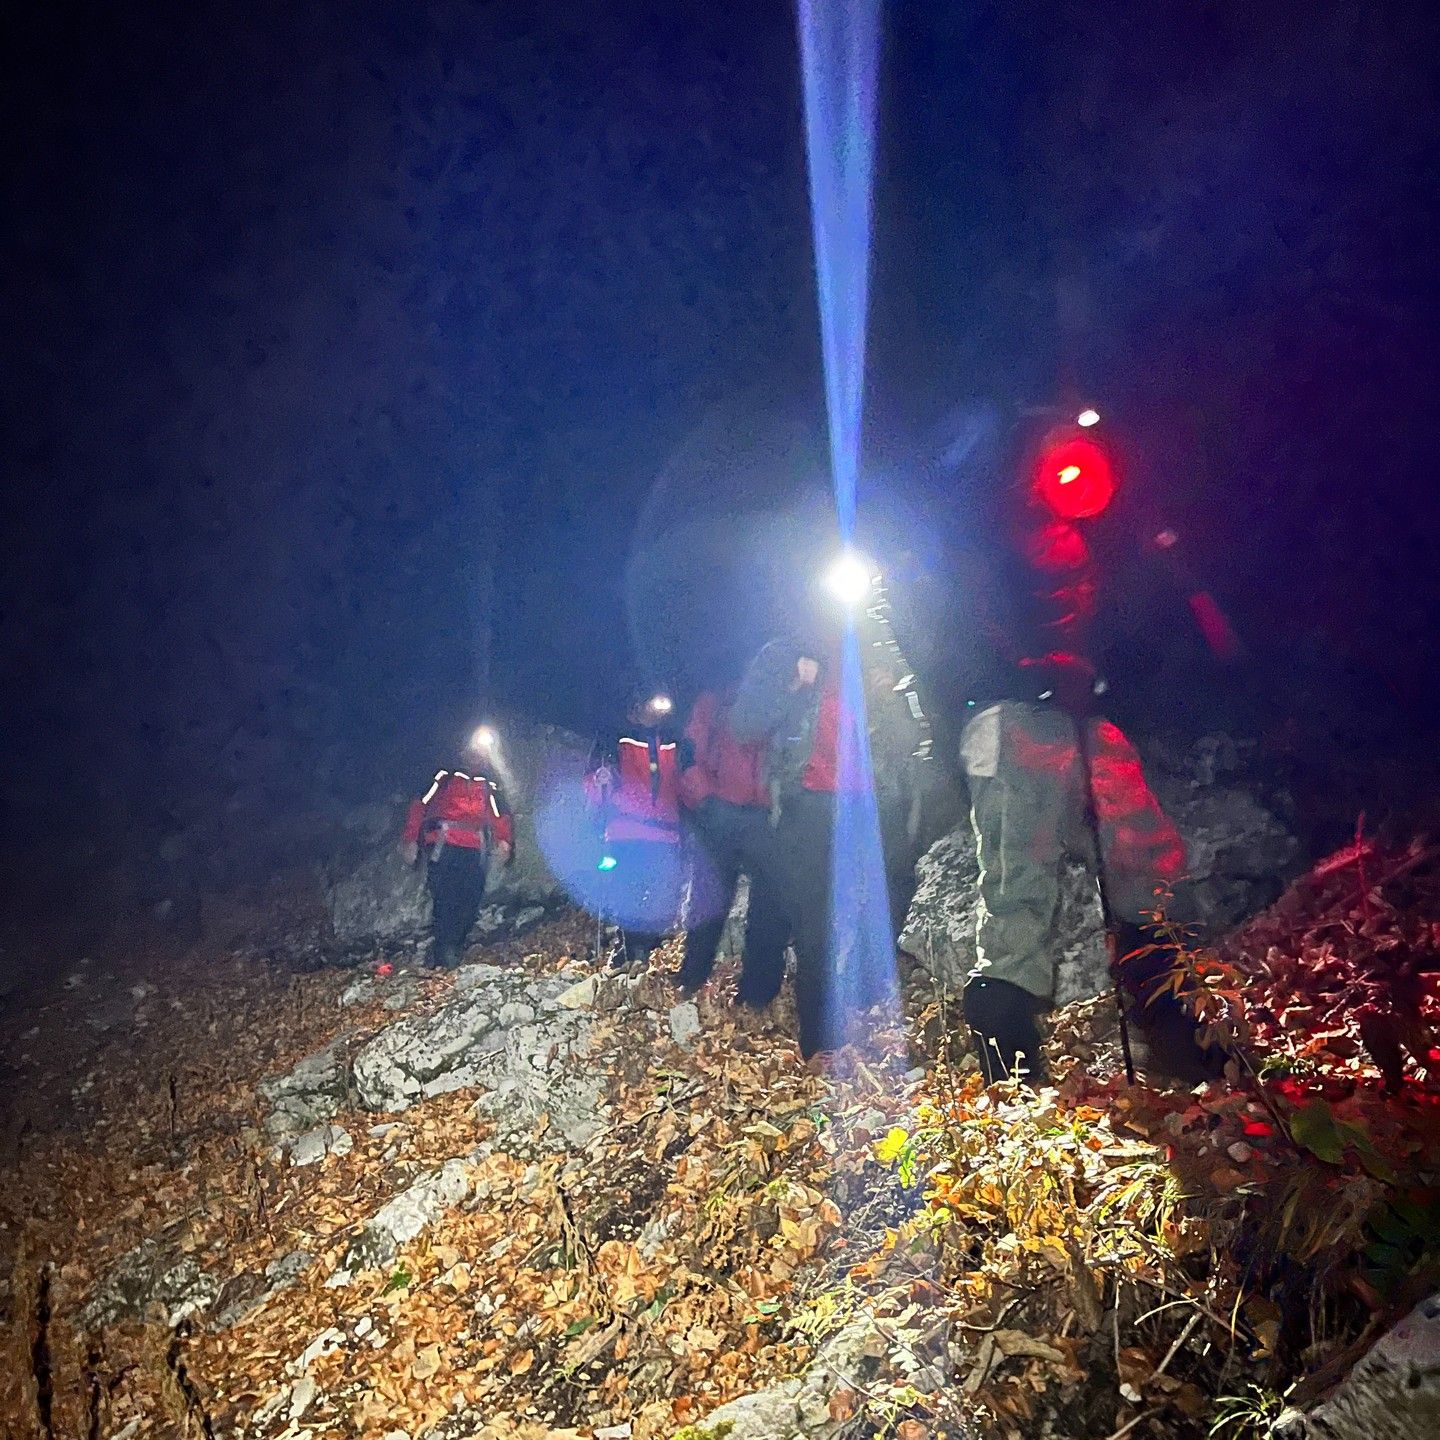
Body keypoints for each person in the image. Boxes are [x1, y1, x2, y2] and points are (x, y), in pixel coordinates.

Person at [730, 598, 924, 1060]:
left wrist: (890, 696)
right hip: (808, 804)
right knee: (816, 924)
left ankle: (866, 1006)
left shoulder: (877, 653)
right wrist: (792, 683)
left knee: (886, 899)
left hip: (872, 805)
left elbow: (909, 739)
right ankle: (820, 1046)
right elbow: (744, 724)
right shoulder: (786, 653)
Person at [675, 685, 790, 1005]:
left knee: (770, 908)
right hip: (721, 812)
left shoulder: (784, 698)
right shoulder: (713, 699)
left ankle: (757, 996)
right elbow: (687, 756)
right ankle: (692, 980)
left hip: (765, 815)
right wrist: (707, 803)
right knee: (709, 904)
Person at [588, 689, 686, 968]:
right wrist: (599, 780)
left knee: (661, 893)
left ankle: (643, 947)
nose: (659, 709)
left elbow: (684, 778)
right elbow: (592, 778)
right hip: (626, 829)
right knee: (629, 890)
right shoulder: (615, 737)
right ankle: (633, 949)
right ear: (638, 704)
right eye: (653, 702)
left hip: (665, 831)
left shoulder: (672, 739)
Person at [401, 727, 514, 967]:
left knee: (470, 899)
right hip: (444, 847)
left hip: (474, 850)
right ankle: (444, 953)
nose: (477, 757)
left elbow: (500, 815)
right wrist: (410, 839)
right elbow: (420, 803)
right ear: (462, 751)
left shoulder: (488, 784)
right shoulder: (444, 776)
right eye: (473, 751)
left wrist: (504, 841)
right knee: (445, 899)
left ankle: (451, 948)